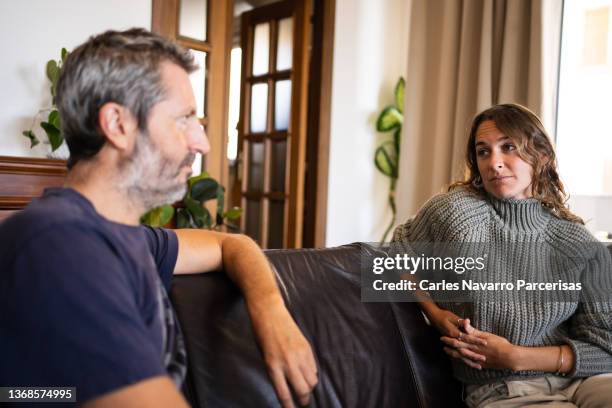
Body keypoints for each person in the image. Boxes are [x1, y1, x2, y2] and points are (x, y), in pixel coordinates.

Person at [0, 28, 317, 408]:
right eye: (184, 119)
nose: (203, 143)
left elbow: (231, 244)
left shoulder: (127, 237)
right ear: (118, 125)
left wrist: (271, 313)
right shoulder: (60, 245)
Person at [392, 103, 612, 407]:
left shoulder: (578, 241)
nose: (494, 162)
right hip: (503, 389)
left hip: (585, 382)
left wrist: (516, 356)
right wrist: (435, 314)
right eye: (484, 151)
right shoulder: (456, 212)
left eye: (508, 147)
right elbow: (392, 258)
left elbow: (605, 346)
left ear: (542, 155)